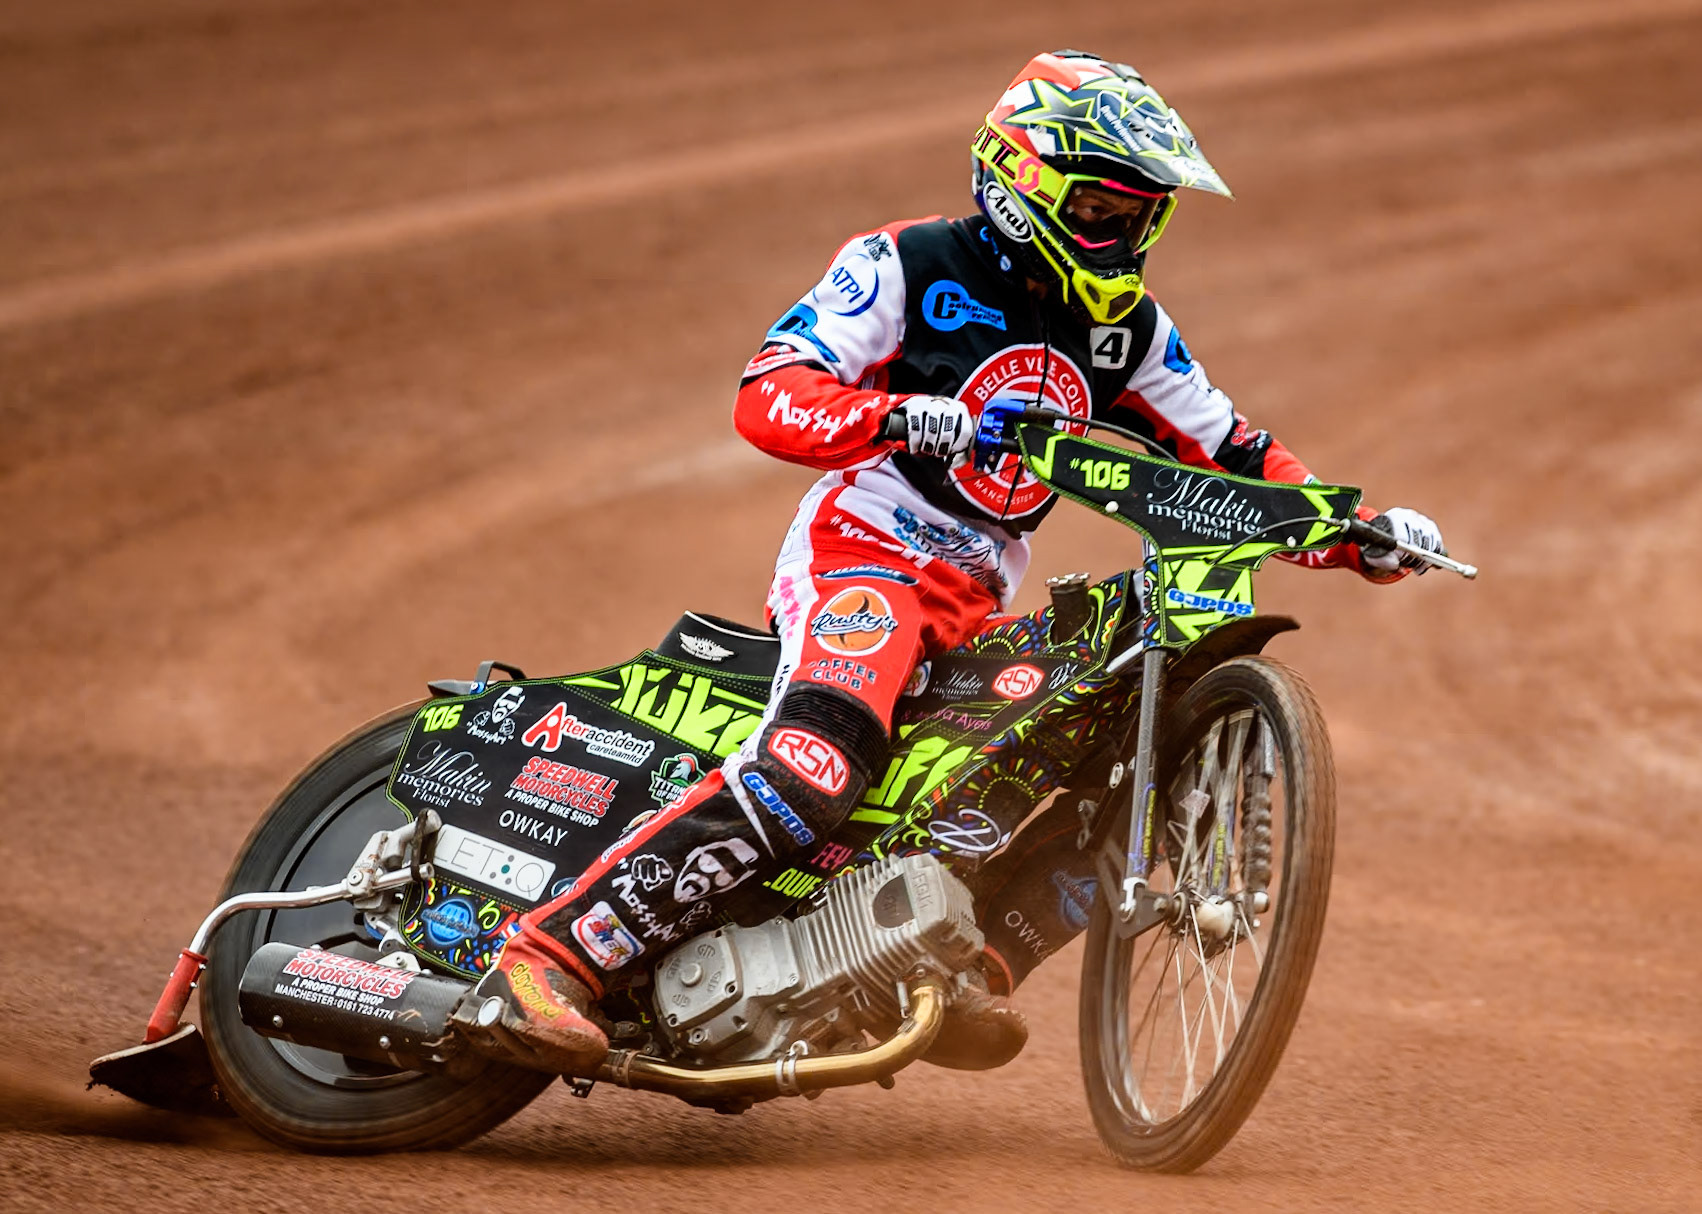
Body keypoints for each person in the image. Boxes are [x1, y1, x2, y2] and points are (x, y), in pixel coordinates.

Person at [477, 49, 1446, 1075]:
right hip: (864, 550)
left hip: (976, 593)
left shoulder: (1127, 335)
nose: (1128, 235)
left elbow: (1237, 455)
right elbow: (767, 393)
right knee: (818, 766)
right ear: (1026, 184)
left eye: (1141, 215)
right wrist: (895, 413)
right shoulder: (906, 263)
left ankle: (968, 965)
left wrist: (1361, 530)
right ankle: (548, 959)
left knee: (1108, 756)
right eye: (1106, 210)